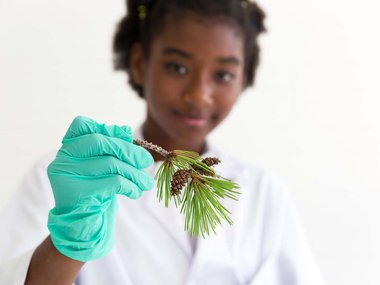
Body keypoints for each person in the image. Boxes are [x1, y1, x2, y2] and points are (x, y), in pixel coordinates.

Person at [0, 0, 326, 284]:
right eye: (177, 67)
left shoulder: (263, 192)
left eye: (223, 74)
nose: (199, 94)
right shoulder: (67, 179)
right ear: (141, 64)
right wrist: (68, 244)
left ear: (244, 78)